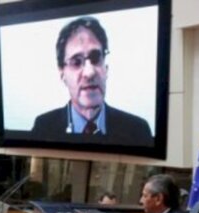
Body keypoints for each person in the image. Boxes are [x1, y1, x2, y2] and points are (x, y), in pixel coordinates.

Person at [30, 16, 153, 147]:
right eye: (76, 62)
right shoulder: (43, 127)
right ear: (62, 73)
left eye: (96, 58)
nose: (90, 72)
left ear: (106, 68)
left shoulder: (138, 131)